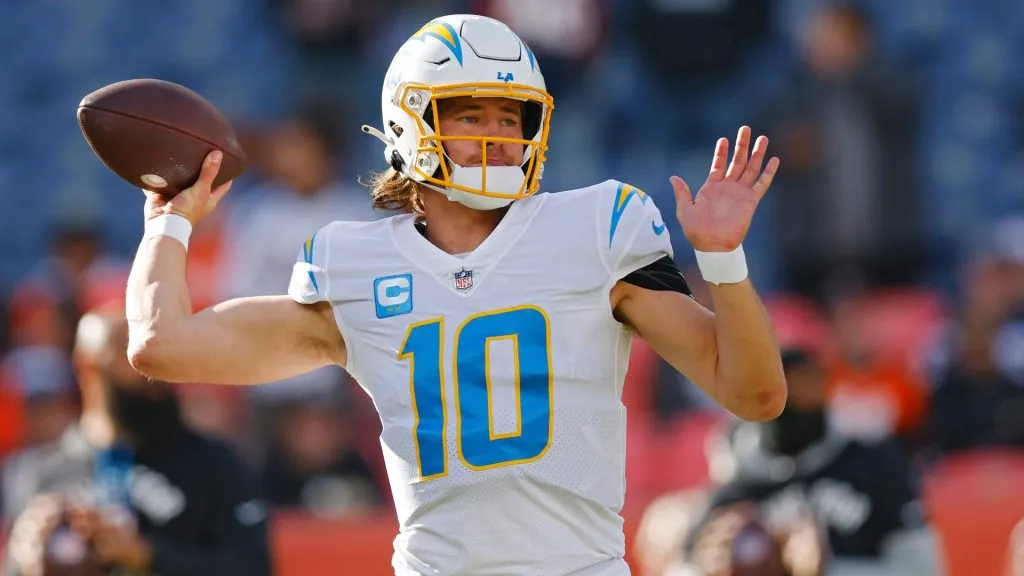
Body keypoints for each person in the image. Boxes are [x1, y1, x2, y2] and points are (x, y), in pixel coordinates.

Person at [125, 14, 787, 576]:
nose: (498, 136)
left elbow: (755, 396)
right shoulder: (352, 265)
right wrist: (168, 224)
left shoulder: (597, 227)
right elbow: (161, 345)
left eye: (511, 115)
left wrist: (723, 259)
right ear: (409, 122)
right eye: (471, 114)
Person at [1, 302, 271, 576]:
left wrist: (144, 554)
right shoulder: (35, 473)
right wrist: (28, 562)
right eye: (131, 351)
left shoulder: (216, 464)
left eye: (159, 350)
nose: (152, 365)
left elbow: (254, 568)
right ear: (88, 365)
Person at [687, 348, 945, 575]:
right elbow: (683, 566)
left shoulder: (875, 467)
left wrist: (827, 569)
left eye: (808, 387)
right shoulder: (733, 489)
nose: (800, 401)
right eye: (787, 391)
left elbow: (925, 569)